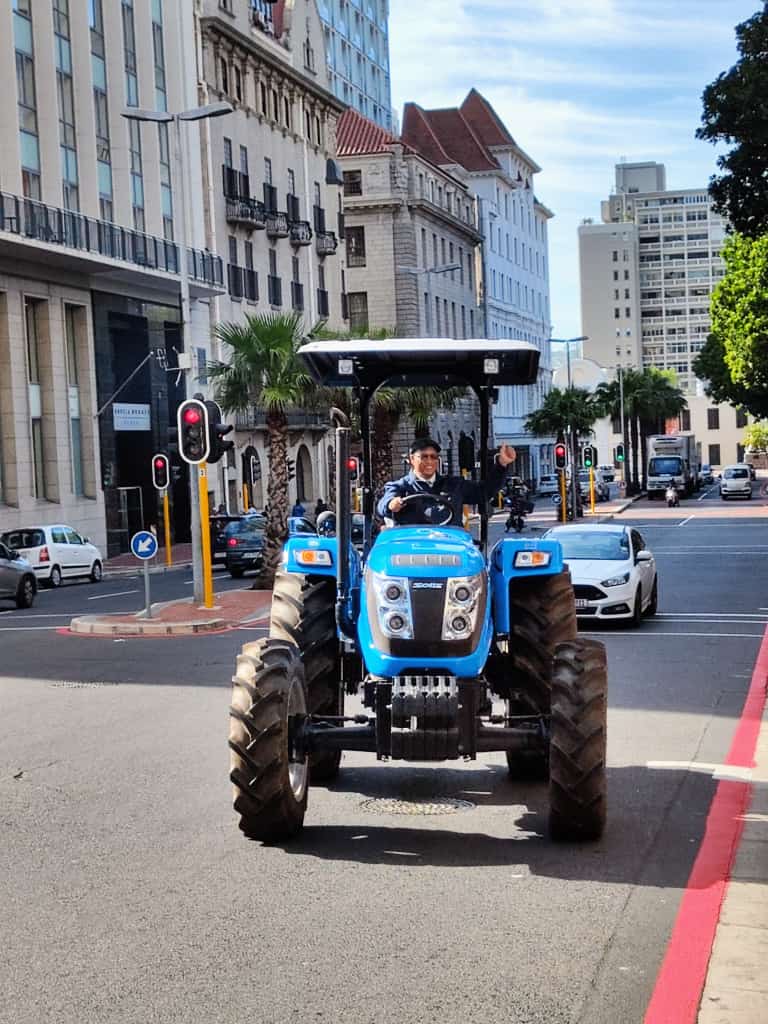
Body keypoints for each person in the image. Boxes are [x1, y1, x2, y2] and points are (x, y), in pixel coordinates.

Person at [377, 437, 516, 527]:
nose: (429, 461)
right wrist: (391, 504)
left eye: (433, 457)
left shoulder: (454, 485)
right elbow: (384, 504)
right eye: (424, 457)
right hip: (412, 548)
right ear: (412, 459)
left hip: (450, 545)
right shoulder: (401, 487)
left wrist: (502, 464)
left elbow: (484, 492)